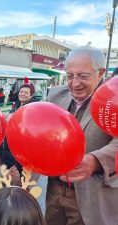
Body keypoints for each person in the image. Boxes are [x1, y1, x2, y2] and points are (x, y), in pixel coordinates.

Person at [46, 46, 118, 225]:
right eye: (70, 76)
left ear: (100, 73)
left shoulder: (114, 99)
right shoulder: (55, 95)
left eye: (83, 76)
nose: (74, 83)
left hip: (93, 195)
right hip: (54, 191)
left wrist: (95, 161)